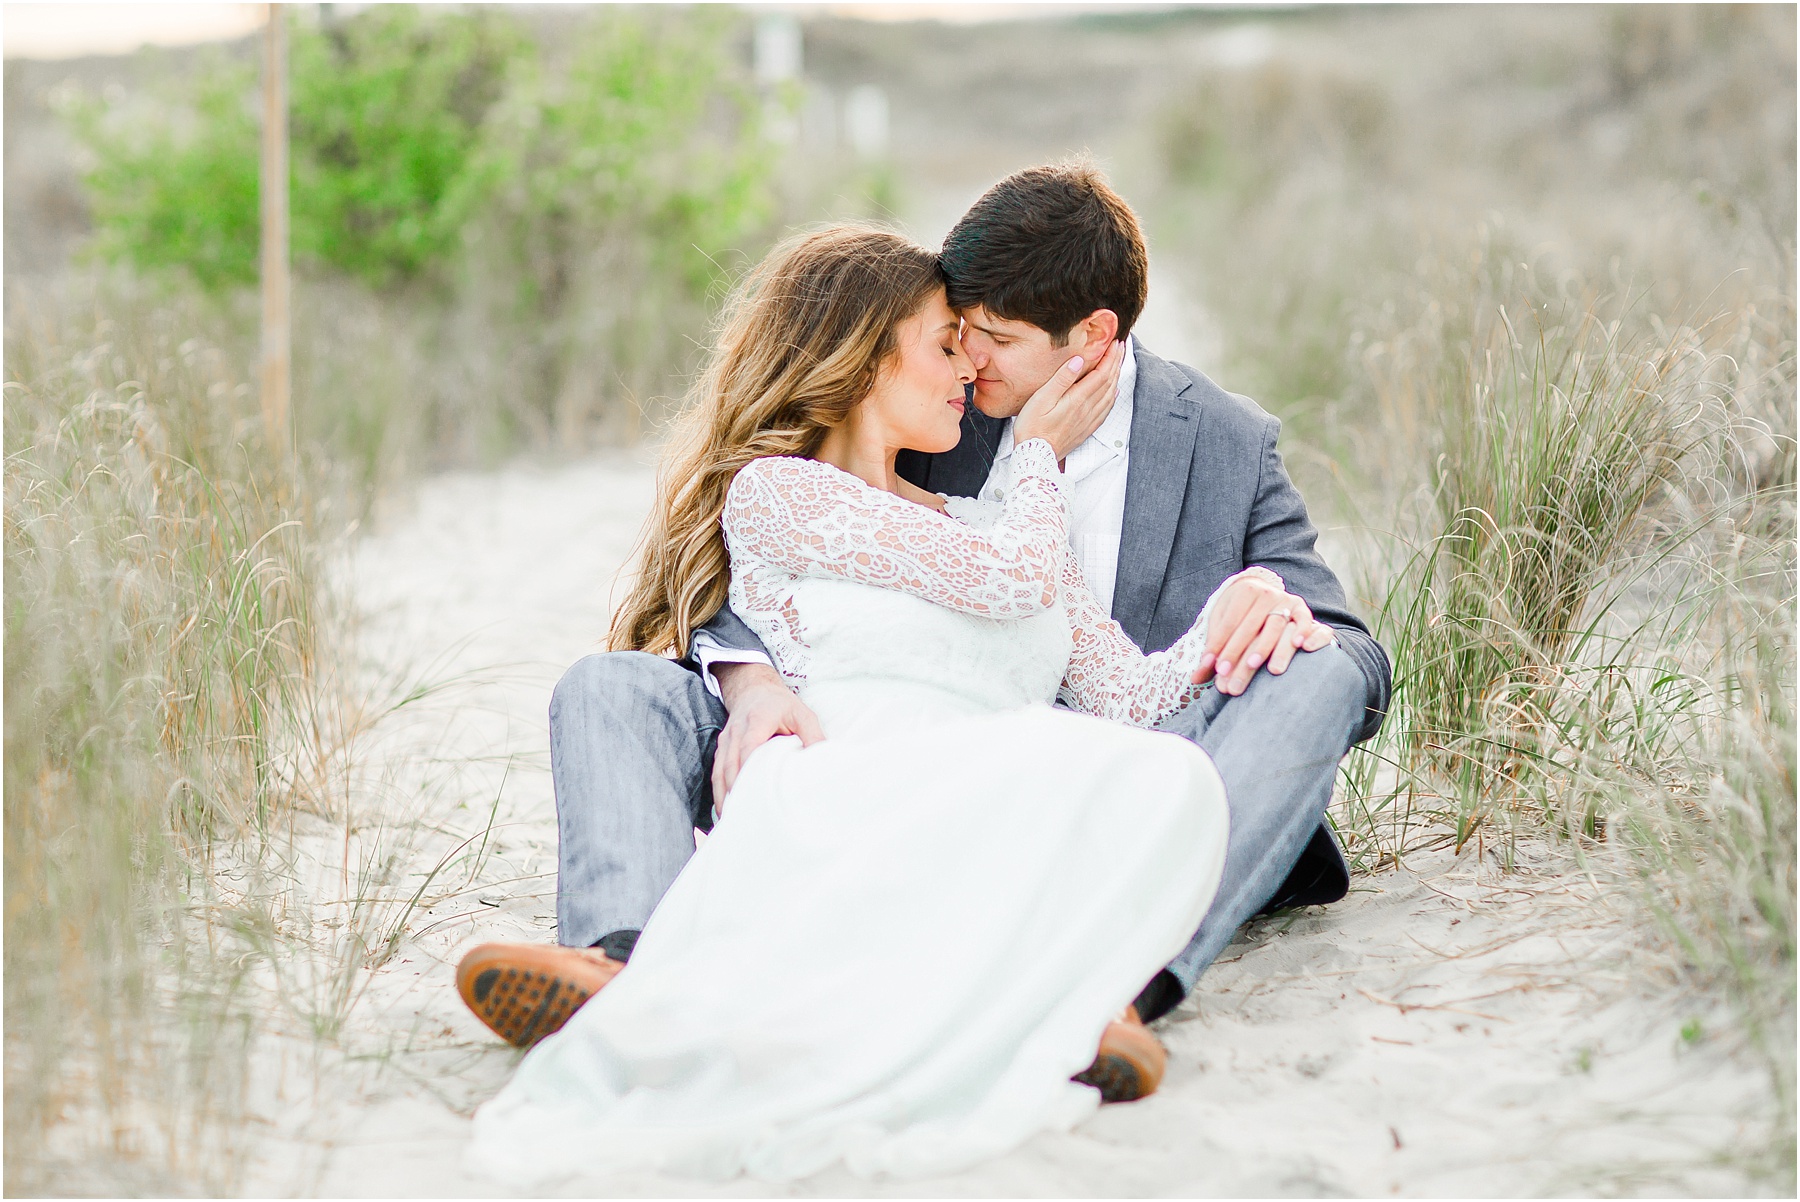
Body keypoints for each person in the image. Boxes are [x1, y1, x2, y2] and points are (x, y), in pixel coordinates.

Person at [459, 161, 1389, 1092]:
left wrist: (1257, 600)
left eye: (991, 340)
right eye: (955, 338)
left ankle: (1123, 990)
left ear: (1092, 337)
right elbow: (741, 569)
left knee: (1315, 673)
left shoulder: (1224, 443)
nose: (969, 362)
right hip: (840, 739)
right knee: (608, 685)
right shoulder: (934, 418)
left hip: (1070, 752)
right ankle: (620, 960)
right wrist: (754, 680)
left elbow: (1336, 654)